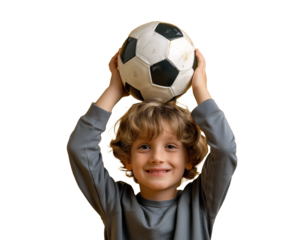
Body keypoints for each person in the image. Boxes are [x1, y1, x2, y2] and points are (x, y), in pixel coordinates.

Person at [66, 46, 238, 239]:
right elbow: (80, 148)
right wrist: (113, 90)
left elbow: (225, 150)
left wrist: (200, 89)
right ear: (127, 158)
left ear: (188, 158)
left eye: (170, 146)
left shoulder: (201, 202)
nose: (157, 157)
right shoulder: (114, 202)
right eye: (144, 147)